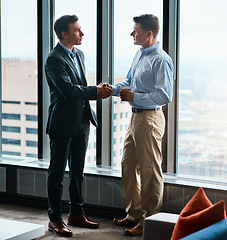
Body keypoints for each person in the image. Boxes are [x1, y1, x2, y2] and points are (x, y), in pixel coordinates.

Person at [45, 14, 112, 237]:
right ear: (64, 34)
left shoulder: (79, 54)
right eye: (76, 30)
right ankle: (55, 219)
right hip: (63, 123)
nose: (81, 34)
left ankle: (76, 213)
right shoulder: (54, 59)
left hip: (82, 120)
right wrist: (96, 92)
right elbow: (68, 90)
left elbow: (79, 84)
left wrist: (95, 88)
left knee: (77, 172)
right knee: (56, 174)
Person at [112, 14, 174, 236]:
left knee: (149, 170)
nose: (132, 34)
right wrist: (114, 89)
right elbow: (129, 82)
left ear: (149, 34)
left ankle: (149, 220)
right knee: (128, 164)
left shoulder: (161, 59)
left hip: (150, 118)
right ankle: (134, 215)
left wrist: (134, 98)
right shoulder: (139, 55)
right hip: (135, 117)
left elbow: (164, 96)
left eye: (135, 30)